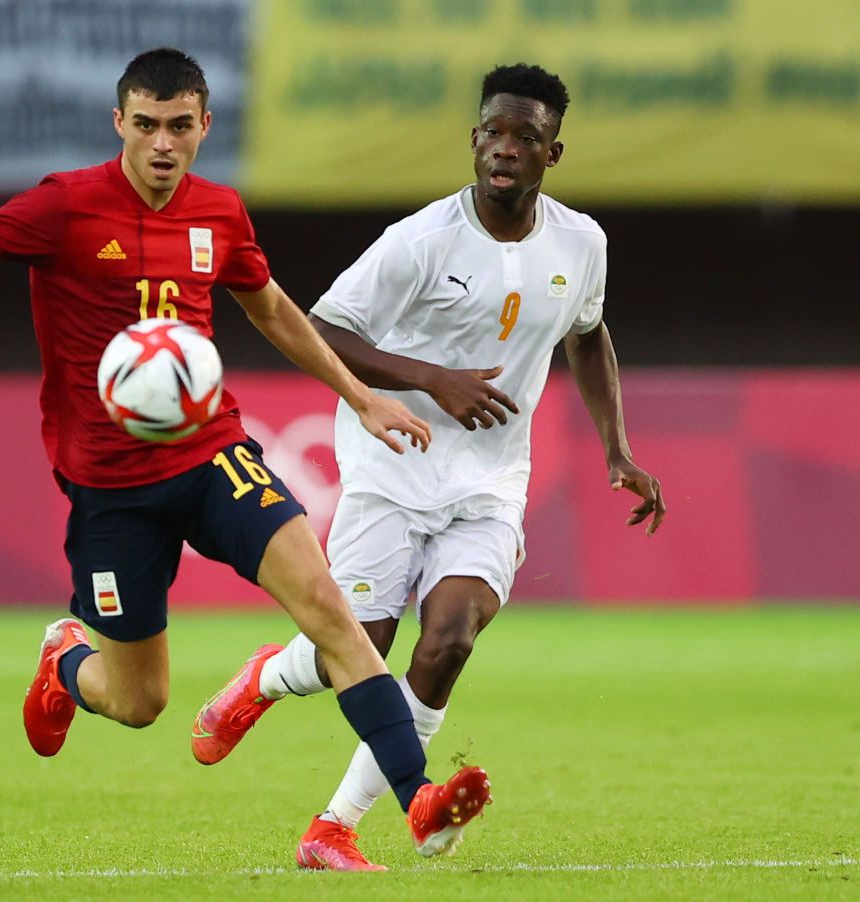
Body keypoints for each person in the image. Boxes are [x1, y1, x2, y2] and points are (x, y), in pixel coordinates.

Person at [0, 47, 491, 859]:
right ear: (118, 122)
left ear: (203, 127)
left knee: (330, 608)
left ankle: (418, 798)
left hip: (212, 454)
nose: (162, 143)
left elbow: (276, 313)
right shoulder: (65, 207)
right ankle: (65, 658)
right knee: (139, 700)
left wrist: (359, 395)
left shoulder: (219, 213)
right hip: (112, 490)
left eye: (180, 126)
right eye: (146, 125)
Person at [192, 63, 667, 871]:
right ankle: (268, 678)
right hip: (390, 465)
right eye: (493, 133)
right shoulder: (420, 242)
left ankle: (332, 829)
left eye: (526, 137)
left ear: (554, 152)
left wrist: (617, 447)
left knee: (448, 641)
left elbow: (588, 333)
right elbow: (320, 331)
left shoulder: (582, 242)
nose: (505, 150)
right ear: (474, 140)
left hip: (489, 481)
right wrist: (428, 377)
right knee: (362, 645)